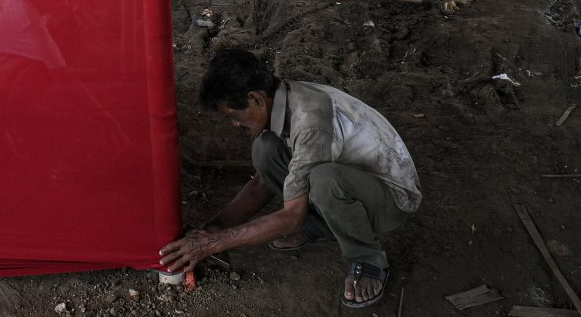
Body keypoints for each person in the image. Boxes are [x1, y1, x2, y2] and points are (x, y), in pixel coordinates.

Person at [159, 50, 421, 309]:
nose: (234, 125)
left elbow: (291, 216)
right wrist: (213, 227)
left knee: (325, 180)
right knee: (265, 149)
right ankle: (322, 225)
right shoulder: (282, 98)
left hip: (391, 196)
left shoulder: (309, 119)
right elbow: (261, 184)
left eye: (233, 116)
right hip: (353, 179)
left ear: (256, 99)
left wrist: (214, 243)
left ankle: (369, 259)